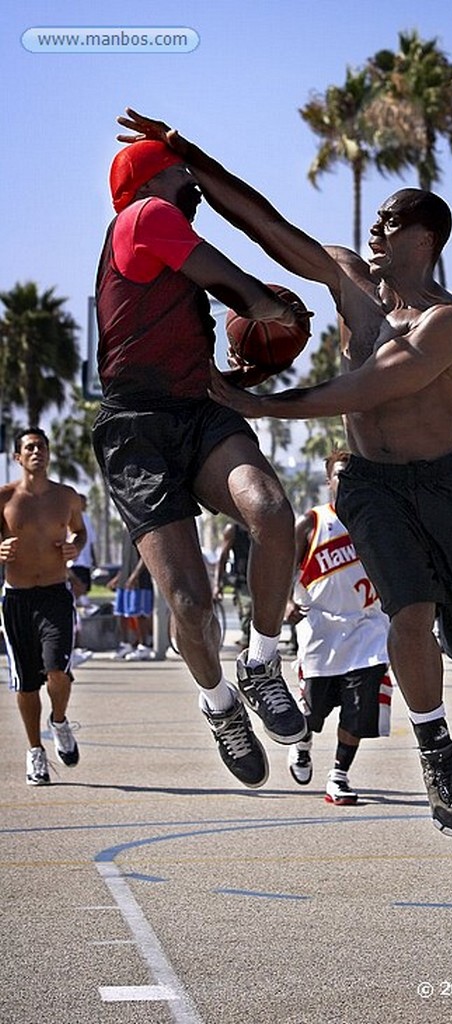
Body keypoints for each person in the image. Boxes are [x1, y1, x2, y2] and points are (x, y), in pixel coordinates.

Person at [116, 109, 452, 837]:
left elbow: (366, 389)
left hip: (450, 488)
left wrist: (262, 405)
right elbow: (268, 227)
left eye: (390, 222)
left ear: (424, 238)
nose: (374, 231)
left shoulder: (444, 324)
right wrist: (188, 156)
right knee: (409, 615)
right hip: (372, 484)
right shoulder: (351, 286)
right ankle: (435, 755)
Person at [93, 132, 309, 789]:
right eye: (184, 176)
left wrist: (239, 366)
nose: (195, 188)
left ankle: (261, 661)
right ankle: (219, 705)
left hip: (196, 408)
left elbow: (187, 328)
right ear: (156, 180)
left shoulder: (165, 244)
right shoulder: (143, 215)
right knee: (188, 602)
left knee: (271, 512)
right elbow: (240, 286)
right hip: (137, 429)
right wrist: (275, 314)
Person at [286, 450, 392, 806]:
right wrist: (286, 600)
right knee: (313, 713)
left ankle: (338, 776)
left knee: (359, 708)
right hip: (321, 627)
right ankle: (302, 743)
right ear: (328, 480)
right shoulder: (312, 522)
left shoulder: (378, 521)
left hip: (367, 627)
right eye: (339, 475)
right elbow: (282, 567)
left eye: (351, 475)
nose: (345, 481)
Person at [0, 428, 86, 785]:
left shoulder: (66, 497)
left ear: (49, 455)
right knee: (26, 683)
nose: (37, 452)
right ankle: (36, 752)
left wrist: (75, 547)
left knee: (57, 672)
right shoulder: (4, 498)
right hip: (17, 598)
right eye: (30, 448)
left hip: (55, 594)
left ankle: (60, 721)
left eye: (42, 447)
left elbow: (79, 532)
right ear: (18, 457)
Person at [108, 531, 154, 660]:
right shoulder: (125, 532)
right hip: (125, 580)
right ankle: (125, 645)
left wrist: (135, 575)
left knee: (140, 614)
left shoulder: (142, 530)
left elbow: (146, 557)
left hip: (140, 581)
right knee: (121, 613)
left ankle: (144, 646)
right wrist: (118, 577)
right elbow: (125, 559)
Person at [68, 493, 97, 666]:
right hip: (71, 566)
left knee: (77, 604)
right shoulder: (68, 516)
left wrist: (95, 562)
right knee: (72, 603)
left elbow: (90, 542)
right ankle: (72, 648)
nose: (84, 505)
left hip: (84, 566)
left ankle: (75, 649)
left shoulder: (86, 519)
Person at [213, 521, 252, 650]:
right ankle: (246, 645)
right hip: (243, 581)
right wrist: (217, 584)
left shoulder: (263, 525)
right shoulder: (233, 529)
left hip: (264, 579)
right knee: (248, 613)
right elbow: (223, 558)